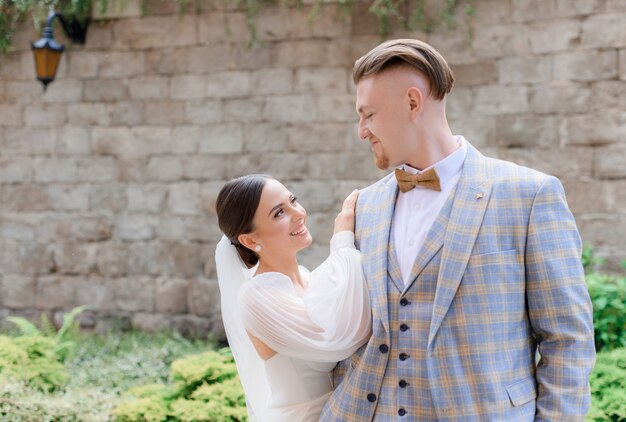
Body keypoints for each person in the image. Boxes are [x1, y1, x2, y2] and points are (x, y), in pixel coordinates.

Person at [320, 39, 596, 421]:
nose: (361, 131)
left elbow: (567, 339)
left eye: (368, 114)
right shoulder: (363, 206)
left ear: (413, 103)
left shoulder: (528, 195)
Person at [214, 174, 371, 421]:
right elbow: (339, 340)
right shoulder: (256, 297)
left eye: (293, 201)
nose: (298, 214)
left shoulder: (308, 278)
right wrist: (342, 240)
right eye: (279, 213)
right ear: (250, 240)